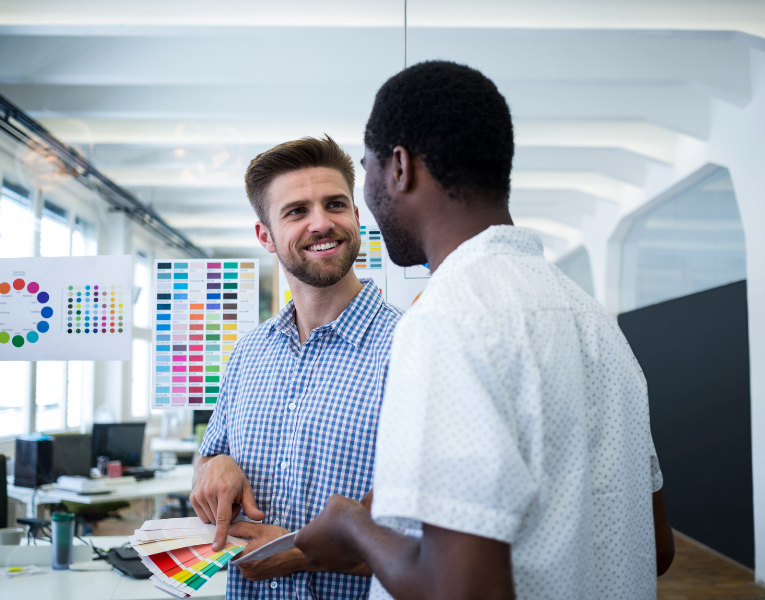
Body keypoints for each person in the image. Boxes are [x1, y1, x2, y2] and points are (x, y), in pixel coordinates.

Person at [295, 61, 675, 600]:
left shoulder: (447, 318)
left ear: (399, 167)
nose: (369, 201)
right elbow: (656, 549)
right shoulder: (597, 324)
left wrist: (351, 528)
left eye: (369, 170)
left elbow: (464, 590)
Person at [191, 135, 401, 599]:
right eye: (296, 211)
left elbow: (432, 529)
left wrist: (305, 551)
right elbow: (206, 461)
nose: (321, 224)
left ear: (357, 218)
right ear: (265, 236)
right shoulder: (248, 354)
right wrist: (213, 466)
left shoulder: (410, 348)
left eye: (335, 205)